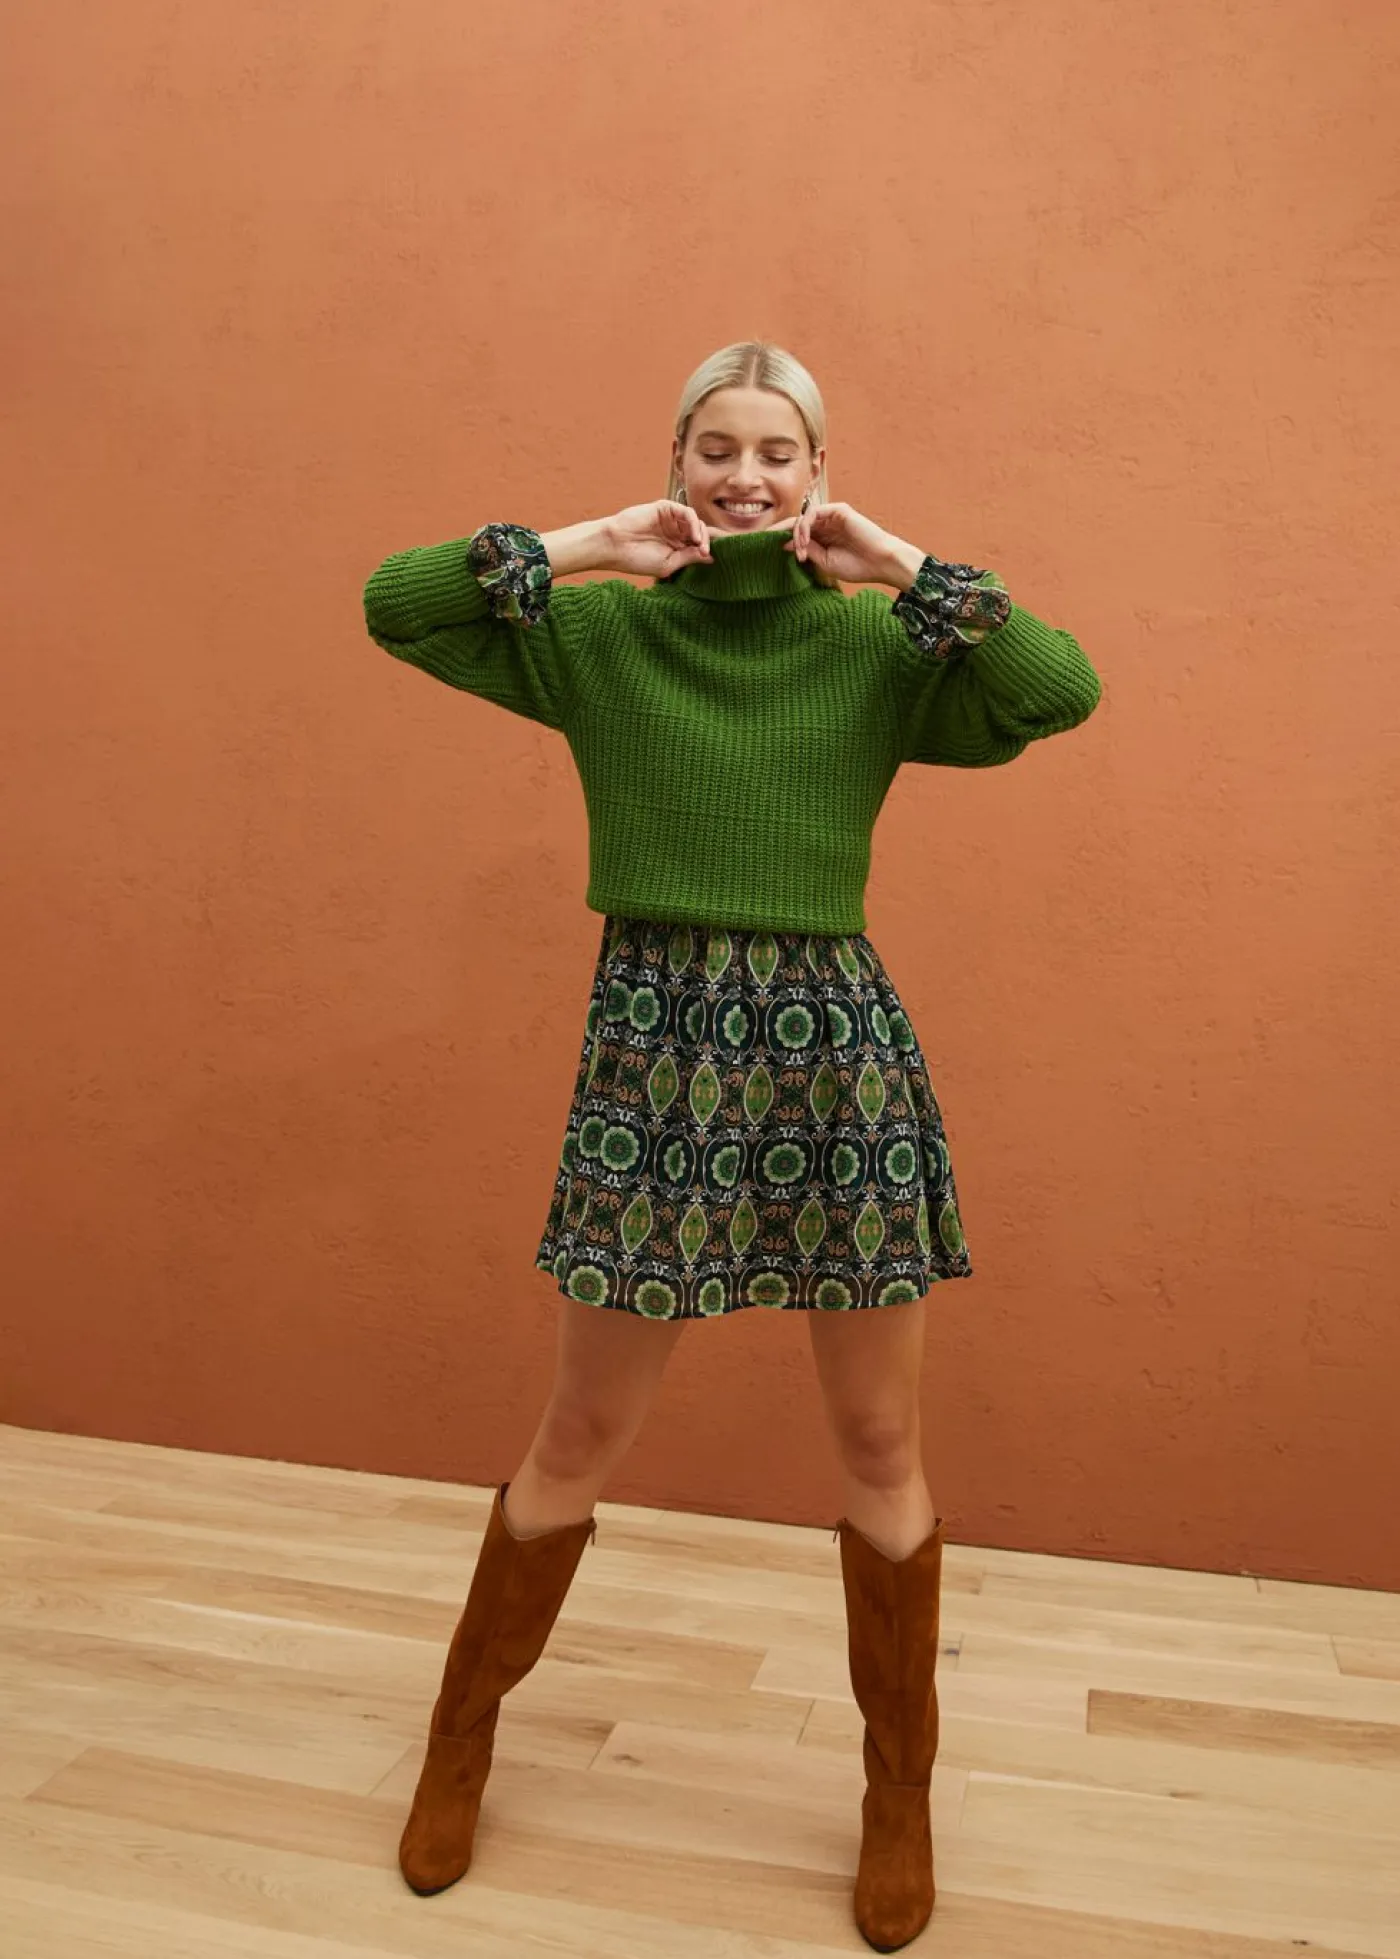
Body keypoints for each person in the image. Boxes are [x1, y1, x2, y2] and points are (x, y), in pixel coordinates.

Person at [361, 339, 1101, 1951]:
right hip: (658, 1049)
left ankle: (896, 1793)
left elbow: (1057, 688)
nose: (745, 474)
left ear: (819, 472)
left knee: (881, 1442)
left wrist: (897, 566)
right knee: (580, 1427)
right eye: (717, 446)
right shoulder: (602, 636)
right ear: (678, 461)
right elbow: (397, 604)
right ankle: (460, 1739)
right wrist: (589, 545)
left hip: (837, 1056)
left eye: (778, 450)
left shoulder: (875, 647)